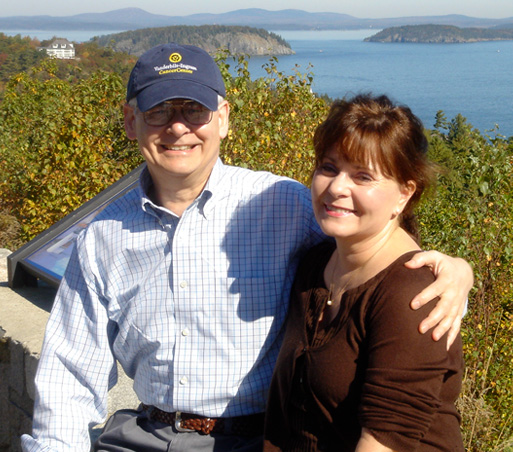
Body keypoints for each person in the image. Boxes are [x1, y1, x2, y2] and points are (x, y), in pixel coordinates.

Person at [20, 43, 472, 452]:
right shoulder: (102, 237)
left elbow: (376, 256)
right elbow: (69, 375)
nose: (178, 127)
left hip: (255, 439)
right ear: (130, 121)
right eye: (158, 110)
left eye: (194, 110)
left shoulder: (283, 204)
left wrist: (453, 271)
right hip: (144, 434)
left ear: (223, 118)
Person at [263, 94, 464, 452]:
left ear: (404, 194)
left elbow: (385, 441)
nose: (337, 188)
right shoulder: (316, 264)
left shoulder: (411, 296)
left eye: (363, 176)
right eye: (328, 168)